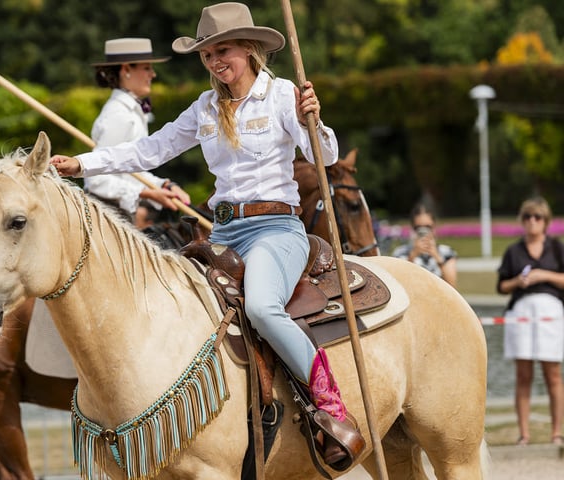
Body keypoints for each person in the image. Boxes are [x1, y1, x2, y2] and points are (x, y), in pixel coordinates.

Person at [51, 2, 363, 467]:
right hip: (223, 232)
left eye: (225, 50)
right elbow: (150, 150)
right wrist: (82, 164)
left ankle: (330, 403)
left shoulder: (281, 95)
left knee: (260, 306)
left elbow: (326, 154)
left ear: (250, 49)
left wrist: (312, 118)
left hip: (275, 230)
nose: (216, 61)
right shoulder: (205, 108)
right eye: (207, 54)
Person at [86, 37, 190, 229]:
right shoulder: (118, 114)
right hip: (111, 220)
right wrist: (147, 193)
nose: (153, 74)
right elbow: (95, 179)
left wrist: (165, 185)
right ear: (126, 70)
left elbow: (133, 171)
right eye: (146, 68)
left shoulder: (130, 110)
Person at [496, 197, 564, 447]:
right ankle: (524, 434)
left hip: (550, 312)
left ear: (545, 221)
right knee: (523, 375)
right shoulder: (514, 251)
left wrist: (544, 275)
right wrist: (518, 282)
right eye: (527, 217)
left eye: (537, 217)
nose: (532, 222)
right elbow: (502, 286)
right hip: (522, 312)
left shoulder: (557, 249)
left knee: (553, 375)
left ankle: (557, 433)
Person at [391, 203, 458, 288]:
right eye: (418, 227)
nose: (423, 231)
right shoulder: (401, 252)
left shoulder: (447, 252)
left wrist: (437, 256)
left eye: (428, 227)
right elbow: (398, 284)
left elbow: (452, 285)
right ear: (412, 228)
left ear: (434, 226)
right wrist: (412, 256)